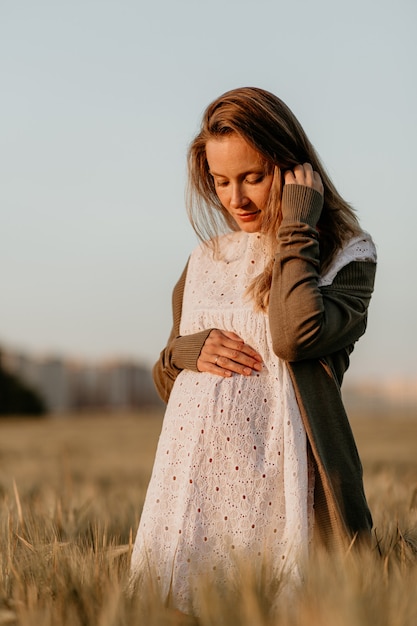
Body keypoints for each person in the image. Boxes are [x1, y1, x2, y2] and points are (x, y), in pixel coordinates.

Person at [129, 87, 377, 615]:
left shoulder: (345, 256)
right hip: (192, 495)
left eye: (253, 177)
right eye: (220, 182)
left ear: (293, 170)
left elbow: (294, 335)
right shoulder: (205, 260)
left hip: (281, 495)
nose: (234, 198)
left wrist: (295, 230)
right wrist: (181, 353)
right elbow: (168, 385)